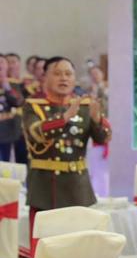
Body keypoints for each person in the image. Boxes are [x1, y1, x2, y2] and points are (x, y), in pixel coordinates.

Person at [22, 56, 110, 238]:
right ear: (45, 77)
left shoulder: (84, 107)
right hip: (45, 190)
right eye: (57, 73)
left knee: (78, 247)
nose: (64, 78)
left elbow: (102, 139)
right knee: (46, 251)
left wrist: (97, 120)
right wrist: (64, 118)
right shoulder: (33, 106)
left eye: (68, 74)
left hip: (77, 187)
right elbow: (36, 133)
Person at [0, 56, 24, 163]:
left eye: (1, 62)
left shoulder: (14, 84)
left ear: (6, 66)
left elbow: (19, 102)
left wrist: (6, 87)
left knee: (6, 164)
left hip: (7, 132)